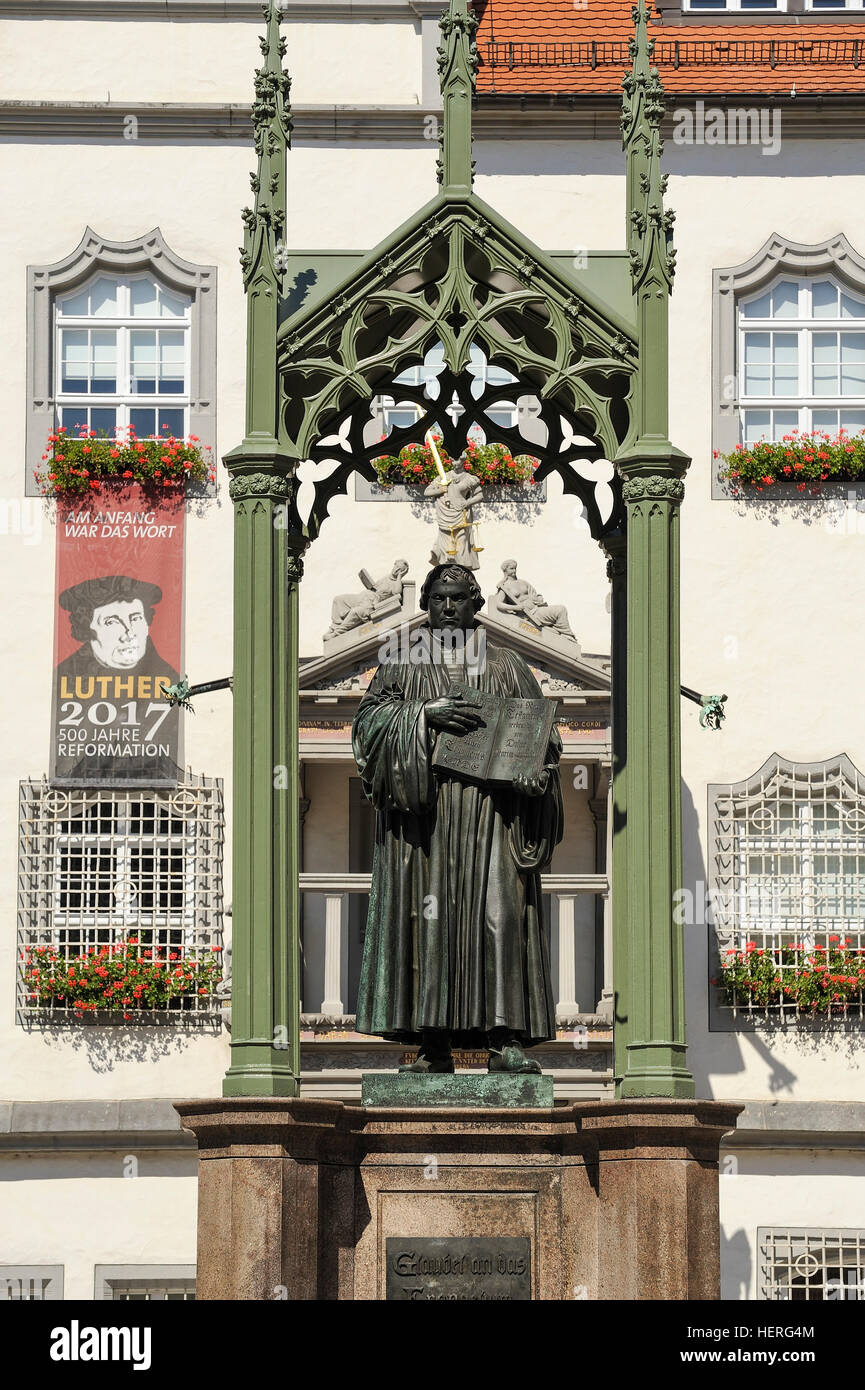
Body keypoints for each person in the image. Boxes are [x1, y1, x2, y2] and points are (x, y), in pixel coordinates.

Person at [352, 562, 562, 1075]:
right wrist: (423, 716)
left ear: (478, 605)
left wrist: (536, 775)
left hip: (492, 815)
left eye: (459, 598)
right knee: (429, 922)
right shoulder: (400, 664)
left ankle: (504, 1039)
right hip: (425, 819)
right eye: (439, 598)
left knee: (500, 916)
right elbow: (365, 731)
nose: (448, 607)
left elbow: (542, 737)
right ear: (425, 603)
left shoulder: (509, 665)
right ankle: (433, 1044)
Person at [491, 559, 577, 640]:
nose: (514, 570)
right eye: (511, 568)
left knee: (560, 609)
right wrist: (515, 608)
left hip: (537, 609)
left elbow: (536, 595)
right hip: (529, 615)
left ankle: (564, 633)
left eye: (515, 568)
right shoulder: (505, 587)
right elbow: (499, 604)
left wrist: (538, 599)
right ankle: (567, 634)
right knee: (560, 610)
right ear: (505, 570)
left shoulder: (523, 582)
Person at [324, 559, 409, 639]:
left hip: (370, 604)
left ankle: (336, 634)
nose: (396, 570)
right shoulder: (386, 577)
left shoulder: (396, 584)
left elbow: (397, 593)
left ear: (402, 572)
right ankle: (334, 627)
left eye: (399, 569)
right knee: (339, 600)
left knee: (355, 612)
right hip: (362, 596)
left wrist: (399, 577)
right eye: (396, 566)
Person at [424, 462, 483, 570]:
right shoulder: (443, 477)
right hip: (445, 516)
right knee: (446, 547)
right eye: (453, 461)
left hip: (460, 515)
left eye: (458, 461)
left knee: (461, 544)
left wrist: (467, 503)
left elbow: (480, 495)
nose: (455, 464)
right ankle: (446, 572)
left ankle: (460, 572)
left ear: (463, 462)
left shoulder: (469, 478)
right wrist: (440, 490)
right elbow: (427, 492)